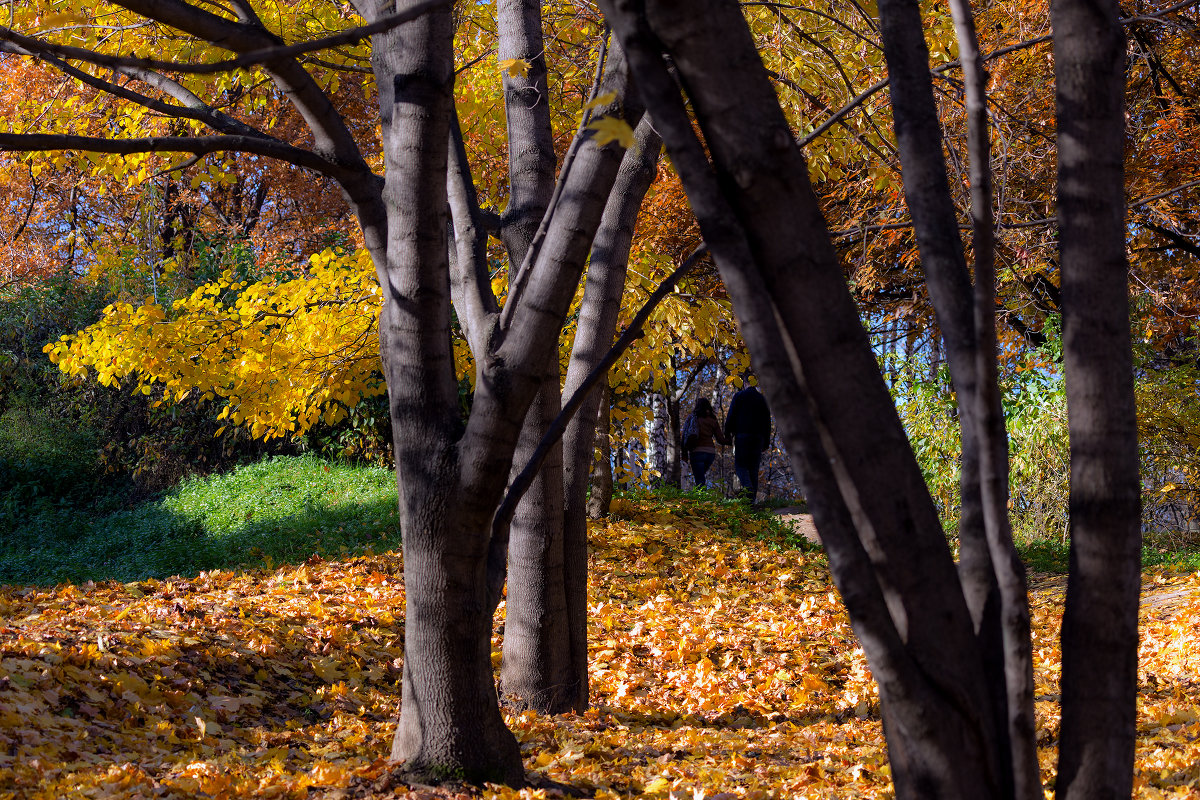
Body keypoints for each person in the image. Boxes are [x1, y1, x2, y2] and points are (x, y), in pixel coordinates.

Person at [724, 383, 771, 501]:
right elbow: (767, 422)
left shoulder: (739, 396)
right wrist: (766, 442)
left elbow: (731, 415)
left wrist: (727, 432)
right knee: (753, 469)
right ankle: (751, 501)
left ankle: (747, 488)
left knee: (741, 466)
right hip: (758, 438)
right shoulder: (762, 399)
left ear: (745, 384)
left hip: (742, 435)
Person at [683, 397, 728, 489]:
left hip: (697, 452)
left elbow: (685, 435)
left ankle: (701, 501)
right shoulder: (712, 420)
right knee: (701, 476)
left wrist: (684, 454)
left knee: (699, 479)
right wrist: (733, 440)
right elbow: (720, 439)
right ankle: (701, 498)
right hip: (710, 453)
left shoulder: (692, 418)